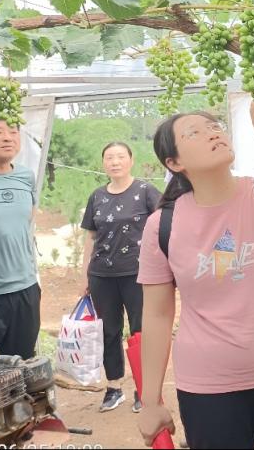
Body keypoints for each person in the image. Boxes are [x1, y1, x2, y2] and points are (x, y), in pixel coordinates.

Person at [136, 95, 254, 449]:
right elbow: (157, 314)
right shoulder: (161, 225)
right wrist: (150, 402)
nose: (212, 133)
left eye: (214, 126)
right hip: (208, 386)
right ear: (174, 162)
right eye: (194, 132)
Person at [81, 141, 162, 413]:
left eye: (120, 157)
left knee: (141, 330)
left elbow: (165, 224)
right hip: (102, 275)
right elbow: (90, 238)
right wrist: (84, 276)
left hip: (138, 274)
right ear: (103, 163)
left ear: (131, 160)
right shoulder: (96, 196)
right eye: (109, 157)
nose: (115, 162)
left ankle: (143, 388)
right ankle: (114, 387)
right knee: (108, 331)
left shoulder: (145, 191)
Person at [0, 110, 40, 359]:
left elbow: (27, 220)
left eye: (13, 132)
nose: (8, 137)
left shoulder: (25, 176)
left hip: (25, 289)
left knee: (20, 367)